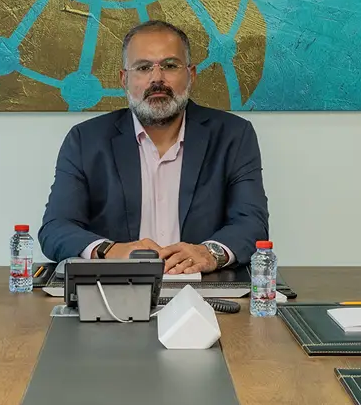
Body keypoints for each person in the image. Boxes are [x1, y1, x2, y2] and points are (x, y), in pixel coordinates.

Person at [38, 20, 269, 273]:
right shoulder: (85, 140)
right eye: (143, 67)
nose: (157, 78)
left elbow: (252, 224)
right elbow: (56, 228)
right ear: (124, 79)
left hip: (205, 288)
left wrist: (209, 253)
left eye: (170, 66)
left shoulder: (234, 136)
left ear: (191, 75)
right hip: (114, 291)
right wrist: (110, 251)